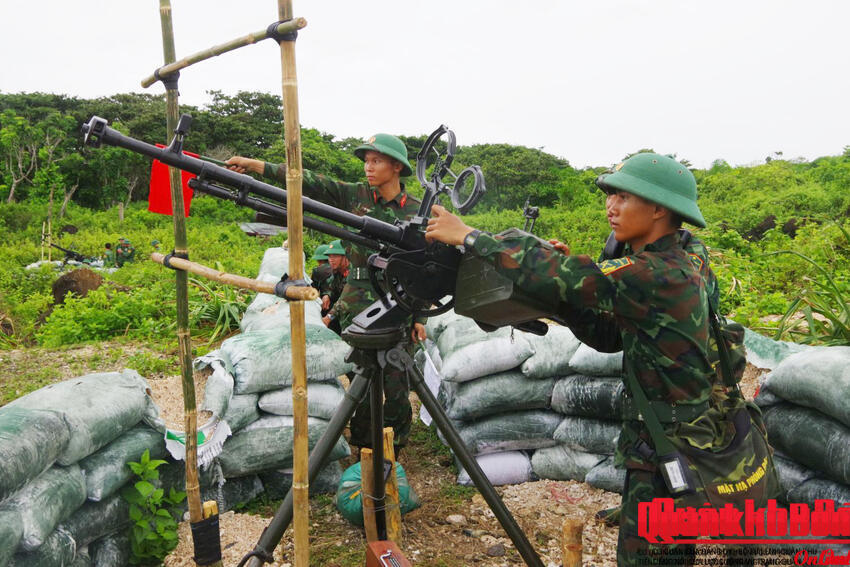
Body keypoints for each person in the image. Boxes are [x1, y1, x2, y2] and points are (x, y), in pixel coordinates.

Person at [425, 152, 770, 566]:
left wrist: (468, 236)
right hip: (681, 431)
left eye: (624, 197)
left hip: (666, 445)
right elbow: (609, 333)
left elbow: (579, 278)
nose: (611, 206)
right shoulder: (691, 255)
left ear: (660, 208)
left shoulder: (659, 274)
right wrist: (562, 292)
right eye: (610, 196)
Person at [227, 133, 427, 456]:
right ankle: (363, 447)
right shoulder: (356, 196)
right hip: (358, 305)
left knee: (397, 383)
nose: (368, 167)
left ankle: (395, 446)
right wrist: (255, 166)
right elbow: (309, 182)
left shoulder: (417, 211)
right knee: (360, 381)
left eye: (375, 161)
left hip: (398, 306)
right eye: (366, 161)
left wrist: (419, 316)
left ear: (396, 166)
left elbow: (424, 269)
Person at [321, 239, 350, 335]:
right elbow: (331, 287)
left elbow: (347, 299)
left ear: (346, 257)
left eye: (335, 256)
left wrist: (329, 317)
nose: (331, 260)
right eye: (329, 256)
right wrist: (327, 295)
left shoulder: (354, 274)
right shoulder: (337, 272)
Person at [310, 244, 333, 312]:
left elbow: (313, 291)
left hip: (325, 306)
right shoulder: (338, 268)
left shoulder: (317, 270)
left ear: (319, 260)